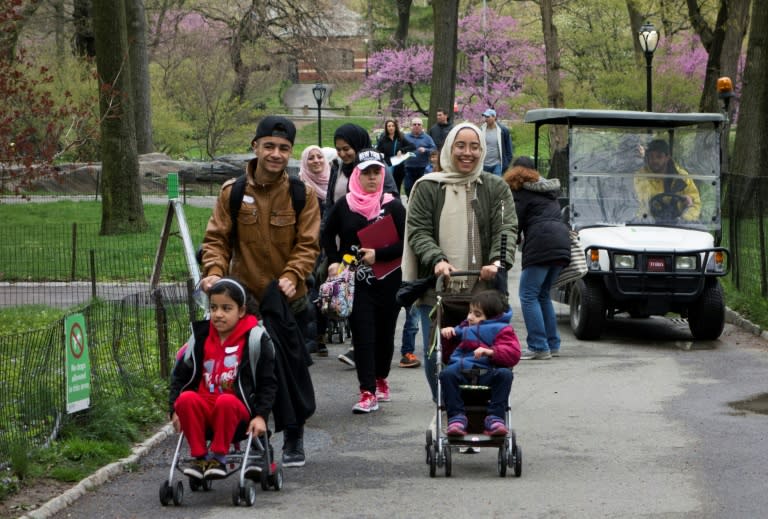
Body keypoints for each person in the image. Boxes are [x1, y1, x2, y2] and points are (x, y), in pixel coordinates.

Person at [199, 115, 319, 468]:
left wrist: (294, 274)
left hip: (287, 299)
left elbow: (309, 243)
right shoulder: (233, 192)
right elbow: (216, 239)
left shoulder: (302, 194)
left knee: (290, 369)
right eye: (269, 146)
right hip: (246, 302)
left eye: (283, 148)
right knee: (247, 373)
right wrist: (215, 275)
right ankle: (257, 437)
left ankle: (294, 435)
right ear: (255, 147)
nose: (276, 154)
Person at [402, 122, 518, 402]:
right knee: (436, 356)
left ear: (483, 150)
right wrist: (437, 259)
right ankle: (444, 407)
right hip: (439, 289)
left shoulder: (495, 186)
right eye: (461, 146)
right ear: (448, 149)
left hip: (483, 288)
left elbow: (507, 228)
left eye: (474, 146)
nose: (468, 153)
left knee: (485, 354)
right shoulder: (428, 187)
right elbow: (418, 230)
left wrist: (498, 260)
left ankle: (476, 415)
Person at [321, 149, 406, 413]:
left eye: (376, 172)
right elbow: (327, 233)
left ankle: (381, 379)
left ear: (383, 174)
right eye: (366, 172)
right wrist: (334, 260)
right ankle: (366, 390)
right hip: (355, 282)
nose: (371, 178)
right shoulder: (345, 204)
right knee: (363, 334)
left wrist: (378, 254)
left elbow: (407, 245)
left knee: (384, 334)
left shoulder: (392, 205)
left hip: (388, 279)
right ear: (356, 174)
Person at [170, 278, 278, 480]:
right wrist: (173, 411)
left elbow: (268, 383)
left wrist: (261, 416)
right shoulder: (200, 338)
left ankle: (218, 457)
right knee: (185, 399)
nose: (218, 314)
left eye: (226, 308)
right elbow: (179, 377)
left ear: (241, 311)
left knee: (225, 401)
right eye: (213, 308)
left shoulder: (254, 339)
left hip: (237, 415)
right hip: (204, 411)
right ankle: (201, 457)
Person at [327, 124, 399, 369]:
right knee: (359, 320)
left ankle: (378, 375)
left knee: (382, 326)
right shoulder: (338, 169)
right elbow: (330, 205)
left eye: (346, 148)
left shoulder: (380, 179)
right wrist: (334, 257)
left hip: (379, 261)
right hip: (346, 250)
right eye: (338, 149)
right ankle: (366, 380)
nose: (343, 153)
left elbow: (393, 218)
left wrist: (376, 247)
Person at [504, 157, 571, 360]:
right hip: (561, 242)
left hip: (541, 243)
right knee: (542, 295)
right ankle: (552, 344)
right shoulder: (547, 190)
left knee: (527, 295)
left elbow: (514, 220)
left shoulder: (520, 190)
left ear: (514, 172)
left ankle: (538, 346)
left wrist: (511, 242)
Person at [439, 289, 521, 436]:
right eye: (470, 312)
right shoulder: (463, 328)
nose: (470, 317)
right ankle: (456, 417)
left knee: (505, 374)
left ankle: (495, 418)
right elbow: (447, 357)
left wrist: (491, 352)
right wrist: (448, 336)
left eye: (477, 314)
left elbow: (513, 353)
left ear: (491, 318)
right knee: (446, 374)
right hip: (462, 369)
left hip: (488, 371)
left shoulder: (502, 330)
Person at [299, 145, 332, 358]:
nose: (316, 161)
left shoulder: (332, 182)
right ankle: (310, 339)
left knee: (324, 290)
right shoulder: (301, 185)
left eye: (319, 156)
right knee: (309, 290)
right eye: (311, 158)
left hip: (329, 243)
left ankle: (320, 333)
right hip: (307, 244)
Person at [634, 139, 701, 222]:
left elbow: (695, 204)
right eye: (651, 157)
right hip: (649, 224)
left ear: (667, 157)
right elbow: (641, 203)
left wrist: (684, 219)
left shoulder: (681, 177)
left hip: (678, 225)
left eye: (659, 156)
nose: (654, 160)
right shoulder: (641, 177)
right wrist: (648, 219)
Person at [402, 117, 437, 196]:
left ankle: (418, 202)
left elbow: (434, 149)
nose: (416, 126)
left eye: (419, 124)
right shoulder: (406, 137)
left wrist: (425, 150)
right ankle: (410, 200)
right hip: (408, 167)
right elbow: (400, 149)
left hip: (422, 167)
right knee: (408, 187)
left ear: (422, 127)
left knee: (421, 188)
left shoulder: (427, 138)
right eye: (414, 124)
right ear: (411, 126)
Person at [376, 118, 408, 193]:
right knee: (387, 186)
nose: (391, 128)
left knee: (397, 187)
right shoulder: (383, 138)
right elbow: (378, 151)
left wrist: (402, 151)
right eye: (389, 126)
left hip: (399, 166)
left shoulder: (401, 137)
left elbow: (410, 147)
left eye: (393, 126)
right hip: (388, 165)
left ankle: (397, 201)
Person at [480, 108, 514, 176]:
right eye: (485, 117)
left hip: (497, 164)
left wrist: (506, 163)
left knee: (497, 185)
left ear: (494, 117)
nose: (486, 119)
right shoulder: (481, 130)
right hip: (484, 165)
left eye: (488, 117)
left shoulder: (503, 131)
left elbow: (509, 149)